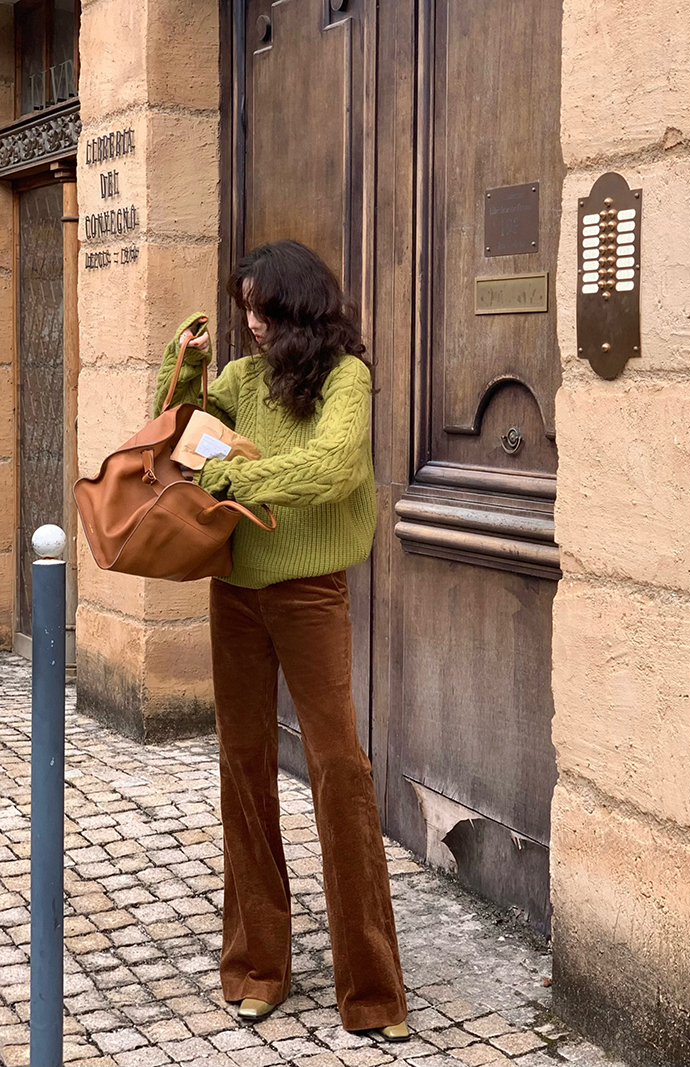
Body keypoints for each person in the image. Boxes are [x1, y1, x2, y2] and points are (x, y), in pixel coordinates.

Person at [153, 240, 409, 1040]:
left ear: (299, 307)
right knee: (243, 766)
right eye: (244, 311)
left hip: (308, 595)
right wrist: (186, 374)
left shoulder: (346, 378)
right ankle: (258, 964)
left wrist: (239, 478)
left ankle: (371, 988)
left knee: (339, 767)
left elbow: (334, 468)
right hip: (234, 596)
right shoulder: (237, 379)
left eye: (262, 308)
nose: (252, 325)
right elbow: (175, 442)